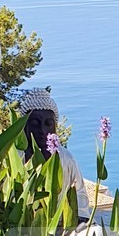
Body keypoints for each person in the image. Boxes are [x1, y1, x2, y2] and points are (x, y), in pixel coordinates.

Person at [17, 87, 89, 222]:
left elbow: (79, 192)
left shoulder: (66, 157)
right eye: (34, 124)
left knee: (95, 235)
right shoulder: (15, 157)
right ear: (24, 126)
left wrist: (78, 216)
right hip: (24, 226)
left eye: (48, 124)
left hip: (61, 224)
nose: (42, 130)